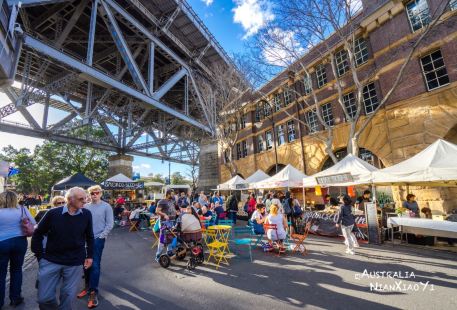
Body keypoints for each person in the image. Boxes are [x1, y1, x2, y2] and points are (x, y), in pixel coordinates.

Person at [32, 187, 94, 310]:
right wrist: (39, 255)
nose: (85, 201)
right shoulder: (53, 213)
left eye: (85, 198)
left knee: (68, 297)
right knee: (43, 298)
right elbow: (38, 232)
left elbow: (90, 236)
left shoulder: (86, 214)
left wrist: (90, 256)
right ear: (70, 199)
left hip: (74, 262)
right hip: (51, 260)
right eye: (81, 199)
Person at [78, 185, 114, 308]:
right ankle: (87, 287)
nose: (94, 195)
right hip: (84, 240)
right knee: (85, 264)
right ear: (89, 194)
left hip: (98, 239)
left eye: (97, 193)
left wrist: (101, 236)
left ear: (101, 193)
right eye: (92, 193)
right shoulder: (86, 206)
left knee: (95, 264)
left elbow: (110, 224)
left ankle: (93, 292)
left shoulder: (106, 206)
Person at [0, 191, 36, 309]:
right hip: (19, 242)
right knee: (16, 270)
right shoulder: (22, 209)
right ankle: (15, 298)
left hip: (2, 243)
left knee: (1, 273)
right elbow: (33, 222)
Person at [155, 190, 177, 261]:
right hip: (164, 222)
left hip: (172, 222)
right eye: (172, 194)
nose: (173, 195)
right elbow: (157, 211)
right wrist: (164, 215)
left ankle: (169, 252)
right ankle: (158, 256)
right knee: (162, 239)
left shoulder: (171, 201)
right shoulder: (161, 201)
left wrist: (177, 212)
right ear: (168, 194)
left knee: (170, 237)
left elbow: (172, 209)